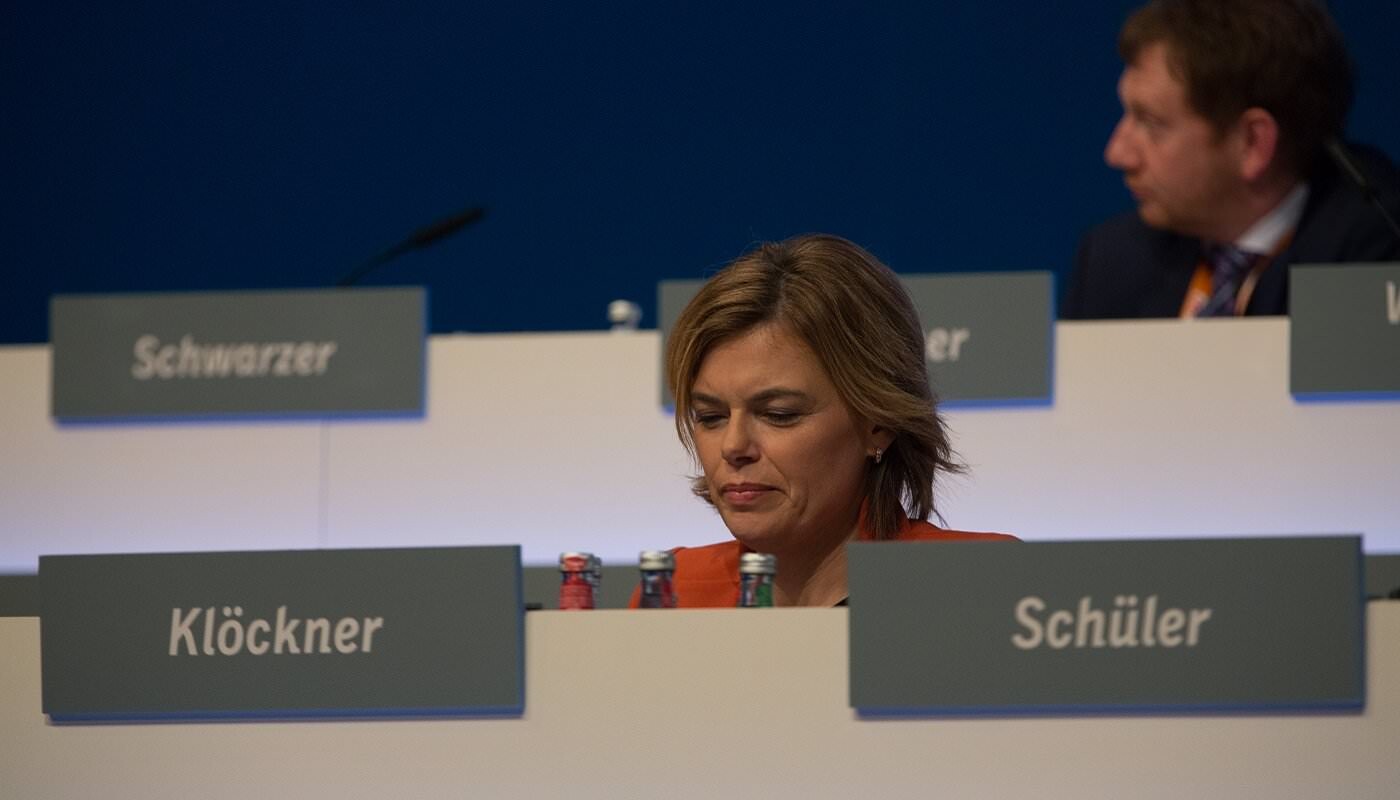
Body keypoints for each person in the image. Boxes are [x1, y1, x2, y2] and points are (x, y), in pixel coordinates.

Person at [632, 234, 1013, 609]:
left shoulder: (983, 583)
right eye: (711, 417)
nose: (733, 447)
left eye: (779, 414)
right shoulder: (674, 594)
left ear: (878, 423)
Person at [1063, 0, 1400, 320]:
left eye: (1151, 124)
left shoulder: (1373, 258)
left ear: (1252, 142)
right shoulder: (1112, 260)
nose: (1117, 154)